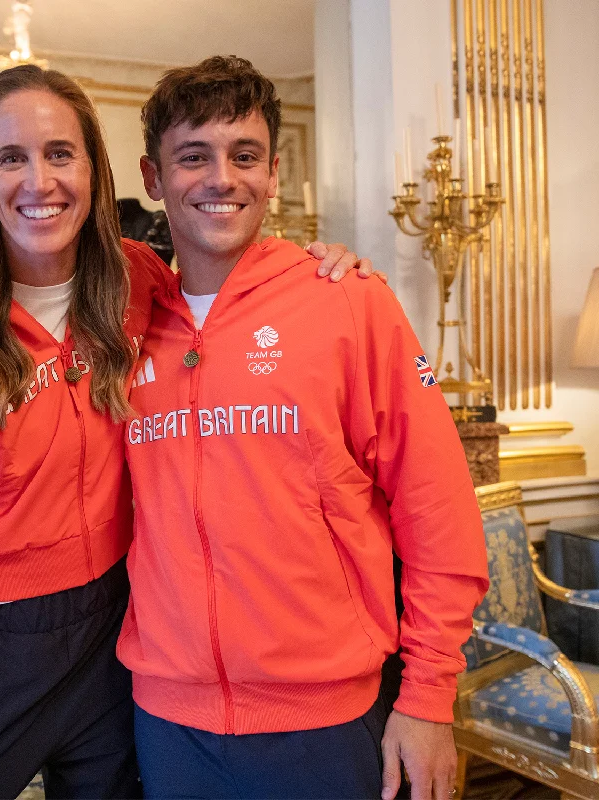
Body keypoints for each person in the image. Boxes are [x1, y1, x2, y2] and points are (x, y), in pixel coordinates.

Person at [0, 64, 368, 800]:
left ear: (95, 168)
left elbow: (227, 278)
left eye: (61, 153)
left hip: (116, 634)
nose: (40, 180)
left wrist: (318, 264)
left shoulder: (135, 282)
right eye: (11, 158)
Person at [119, 56, 490, 800]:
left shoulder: (349, 301)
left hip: (324, 721)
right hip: (165, 721)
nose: (222, 177)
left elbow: (438, 512)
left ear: (275, 173)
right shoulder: (117, 323)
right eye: (194, 156)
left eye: (244, 155)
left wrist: (426, 698)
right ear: (153, 179)